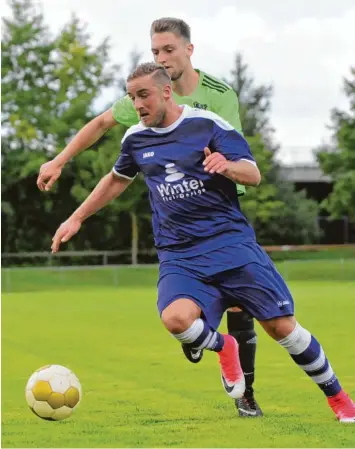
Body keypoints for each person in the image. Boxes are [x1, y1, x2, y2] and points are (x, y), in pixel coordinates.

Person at [51, 62, 355, 423]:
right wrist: (76, 217)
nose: (138, 104)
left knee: (281, 328)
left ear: (166, 91)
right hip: (180, 254)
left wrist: (226, 165)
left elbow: (252, 173)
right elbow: (116, 180)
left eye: (144, 95)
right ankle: (225, 347)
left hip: (230, 244)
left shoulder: (207, 125)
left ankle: (339, 400)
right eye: (132, 97)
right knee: (176, 320)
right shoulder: (135, 138)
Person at [37, 17, 262, 417]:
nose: (161, 57)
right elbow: (103, 123)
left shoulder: (220, 95)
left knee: (240, 305)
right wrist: (59, 159)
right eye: (155, 51)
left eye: (168, 50)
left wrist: (230, 183)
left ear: (188, 50)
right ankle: (197, 335)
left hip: (222, 214)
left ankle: (246, 395)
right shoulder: (145, 96)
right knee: (180, 304)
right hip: (176, 218)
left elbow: (238, 156)